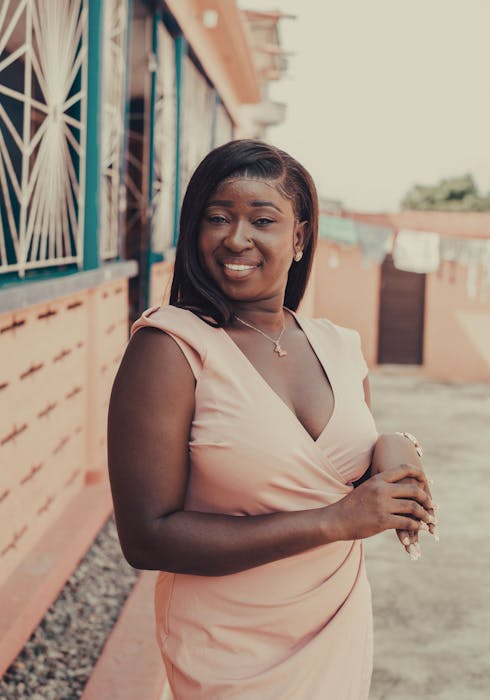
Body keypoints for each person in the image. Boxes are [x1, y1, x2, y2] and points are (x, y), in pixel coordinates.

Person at [107, 140, 437, 699]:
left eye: (262, 220)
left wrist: (392, 447)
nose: (237, 238)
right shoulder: (172, 348)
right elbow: (147, 537)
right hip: (230, 647)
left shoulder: (340, 346)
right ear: (194, 229)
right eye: (218, 217)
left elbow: (334, 472)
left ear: (300, 237)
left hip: (335, 622)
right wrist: (339, 521)